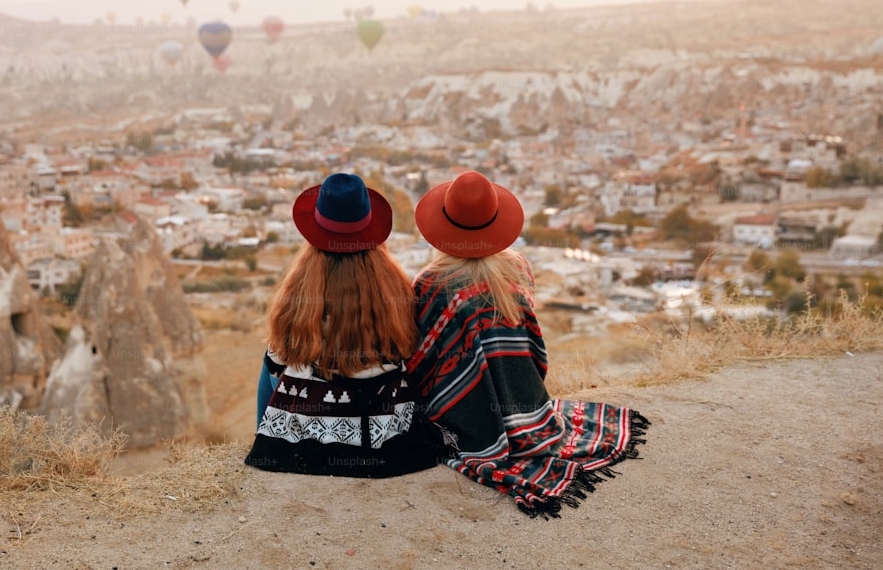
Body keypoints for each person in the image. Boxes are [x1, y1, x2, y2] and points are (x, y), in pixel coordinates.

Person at [407, 170, 649, 517]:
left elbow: (421, 358)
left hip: (461, 418)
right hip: (529, 408)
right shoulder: (518, 268)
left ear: (443, 224)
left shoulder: (431, 283)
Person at [245, 173, 444, 478]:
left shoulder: (300, 295)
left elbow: (281, 359)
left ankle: (267, 430)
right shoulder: (395, 289)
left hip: (314, 430)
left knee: (273, 355)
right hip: (386, 429)